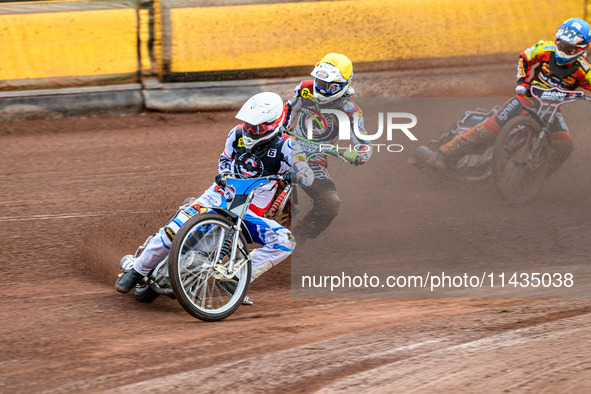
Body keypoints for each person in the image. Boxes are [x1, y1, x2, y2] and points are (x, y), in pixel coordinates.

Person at [115, 92, 314, 305]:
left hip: (248, 212)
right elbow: (225, 161)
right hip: (220, 196)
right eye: (247, 124)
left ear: (273, 124)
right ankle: (137, 270)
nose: (249, 130)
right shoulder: (235, 135)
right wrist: (225, 173)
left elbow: (307, 172)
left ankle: (237, 278)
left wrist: (298, 173)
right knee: (175, 228)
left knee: (285, 241)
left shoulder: (288, 146)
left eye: (256, 127)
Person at [428, 17, 591, 172]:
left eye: (569, 48)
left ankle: (536, 175)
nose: (562, 50)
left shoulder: (585, 70)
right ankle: (443, 154)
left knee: (565, 144)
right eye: (560, 44)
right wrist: (522, 82)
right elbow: (524, 57)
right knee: (489, 129)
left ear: (581, 49)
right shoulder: (544, 48)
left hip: (552, 110)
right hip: (526, 99)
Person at [284, 53, 373, 239]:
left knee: (330, 203)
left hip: (314, 159)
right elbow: (288, 111)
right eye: (318, 81)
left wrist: (359, 155)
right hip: (285, 146)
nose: (320, 87)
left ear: (340, 86)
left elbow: (364, 143)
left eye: (326, 85)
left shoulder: (351, 111)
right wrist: (280, 127)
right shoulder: (305, 89)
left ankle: (299, 240)